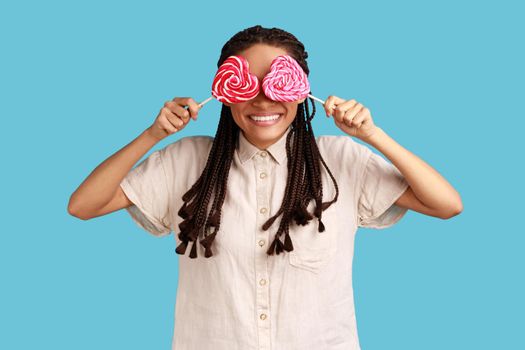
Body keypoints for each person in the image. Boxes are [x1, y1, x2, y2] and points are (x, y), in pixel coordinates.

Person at [68, 25, 463, 350]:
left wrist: (373, 135)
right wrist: (152, 133)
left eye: (277, 83)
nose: (262, 99)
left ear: (303, 90)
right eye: (246, 84)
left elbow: (446, 204)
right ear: (225, 93)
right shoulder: (186, 161)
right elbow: (83, 205)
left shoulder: (340, 160)